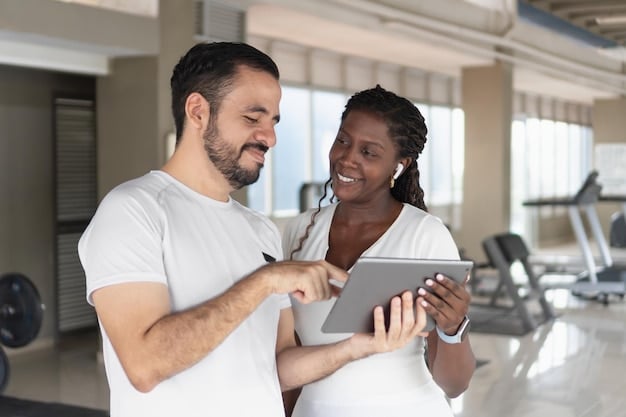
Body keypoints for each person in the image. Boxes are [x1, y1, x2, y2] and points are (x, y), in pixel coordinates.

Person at [77, 42, 348, 417]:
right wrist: (265, 280)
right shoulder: (132, 210)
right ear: (198, 111)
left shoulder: (261, 231)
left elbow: (280, 364)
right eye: (253, 118)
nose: (269, 138)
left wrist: (360, 347)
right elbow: (144, 366)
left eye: (273, 122)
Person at [281, 85, 476, 417]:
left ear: (398, 165)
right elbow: (289, 354)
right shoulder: (300, 231)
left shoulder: (424, 235)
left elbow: (454, 385)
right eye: (343, 140)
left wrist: (453, 326)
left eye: (368, 152)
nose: (347, 157)